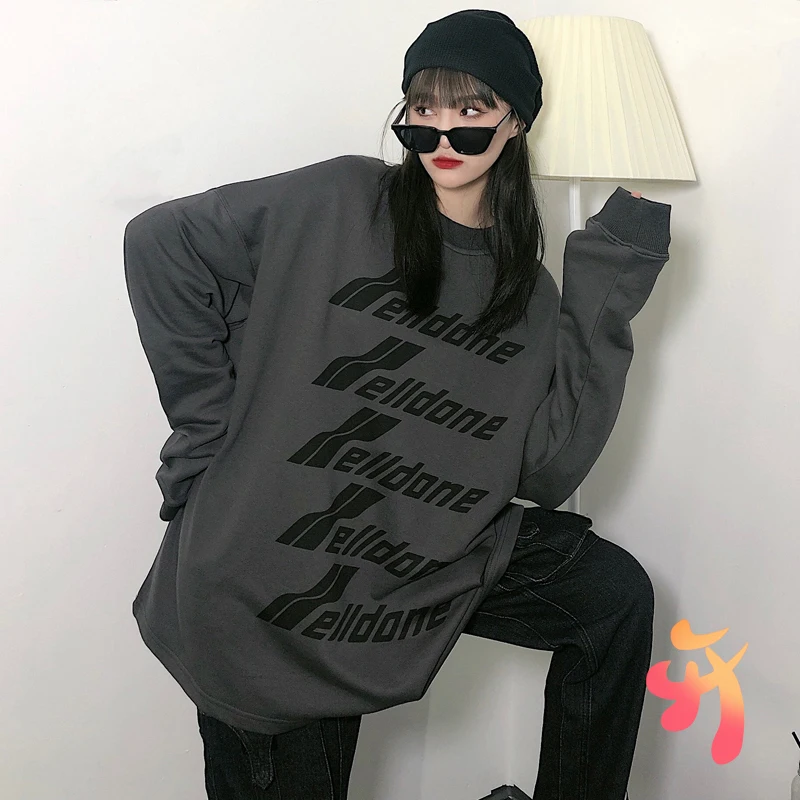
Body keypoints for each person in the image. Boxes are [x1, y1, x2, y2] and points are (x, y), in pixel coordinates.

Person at [123, 9, 671, 800]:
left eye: (471, 110)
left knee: (610, 599)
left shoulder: (525, 291)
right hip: (272, 574)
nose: (442, 134)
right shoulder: (342, 199)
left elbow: (546, 472)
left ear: (516, 122)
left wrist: (608, 275)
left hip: (420, 552)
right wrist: (207, 437)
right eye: (422, 108)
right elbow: (159, 243)